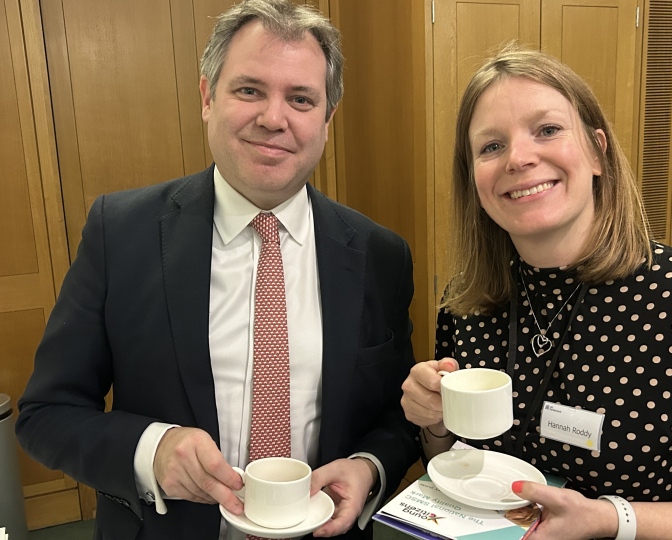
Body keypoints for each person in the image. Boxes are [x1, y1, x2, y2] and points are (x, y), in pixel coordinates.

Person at [16, 1, 419, 539]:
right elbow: (47, 413)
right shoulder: (120, 233)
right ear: (208, 97)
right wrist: (150, 451)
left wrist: (370, 467)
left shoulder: (380, 254)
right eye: (249, 90)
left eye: (300, 99)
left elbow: (397, 417)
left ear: (326, 119)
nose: (273, 118)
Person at [401, 45, 672, 540]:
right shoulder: (466, 303)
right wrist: (434, 425)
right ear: (473, 180)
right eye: (491, 146)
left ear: (598, 152)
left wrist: (612, 519)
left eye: (548, 130)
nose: (519, 158)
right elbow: (455, 463)